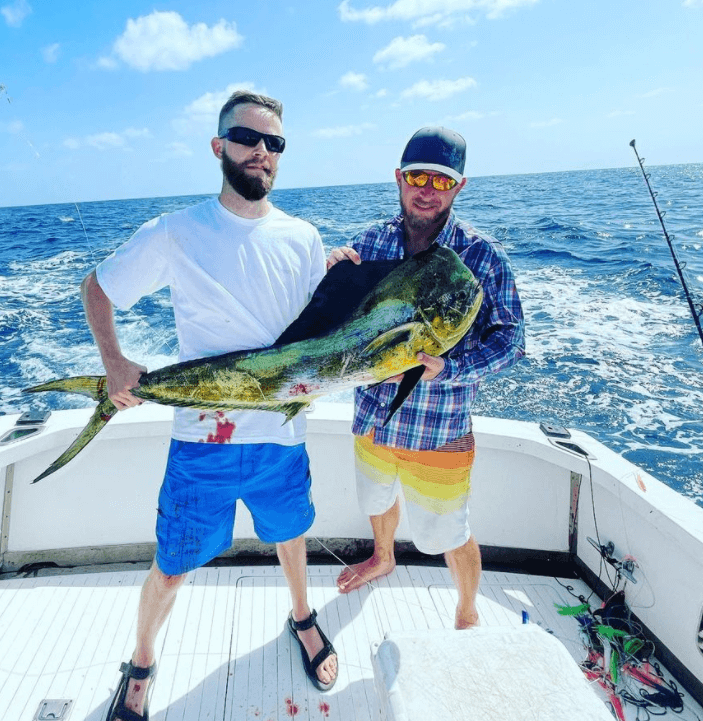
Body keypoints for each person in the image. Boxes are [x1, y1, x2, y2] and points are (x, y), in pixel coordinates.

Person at [83, 91, 339, 721]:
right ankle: (141, 661)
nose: (261, 151)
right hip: (205, 441)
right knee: (172, 565)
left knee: (292, 536)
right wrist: (115, 363)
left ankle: (302, 617)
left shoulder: (304, 236)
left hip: (282, 433)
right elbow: (98, 288)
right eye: (248, 138)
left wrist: (338, 271)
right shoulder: (176, 231)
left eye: (274, 143)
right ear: (218, 145)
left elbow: (312, 325)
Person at [330, 126, 525, 629]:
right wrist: (325, 270)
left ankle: (467, 611)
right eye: (418, 176)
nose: (427, 189)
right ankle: (382, 555)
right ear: (399, 178)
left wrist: (452, 369)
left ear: (460, 187)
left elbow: (511, 342)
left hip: (439, 429)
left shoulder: (485, 258)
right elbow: (329, 320)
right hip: (372, 418)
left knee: (447, 534)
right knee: (375, 500)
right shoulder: (368, 244)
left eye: (442, 181)